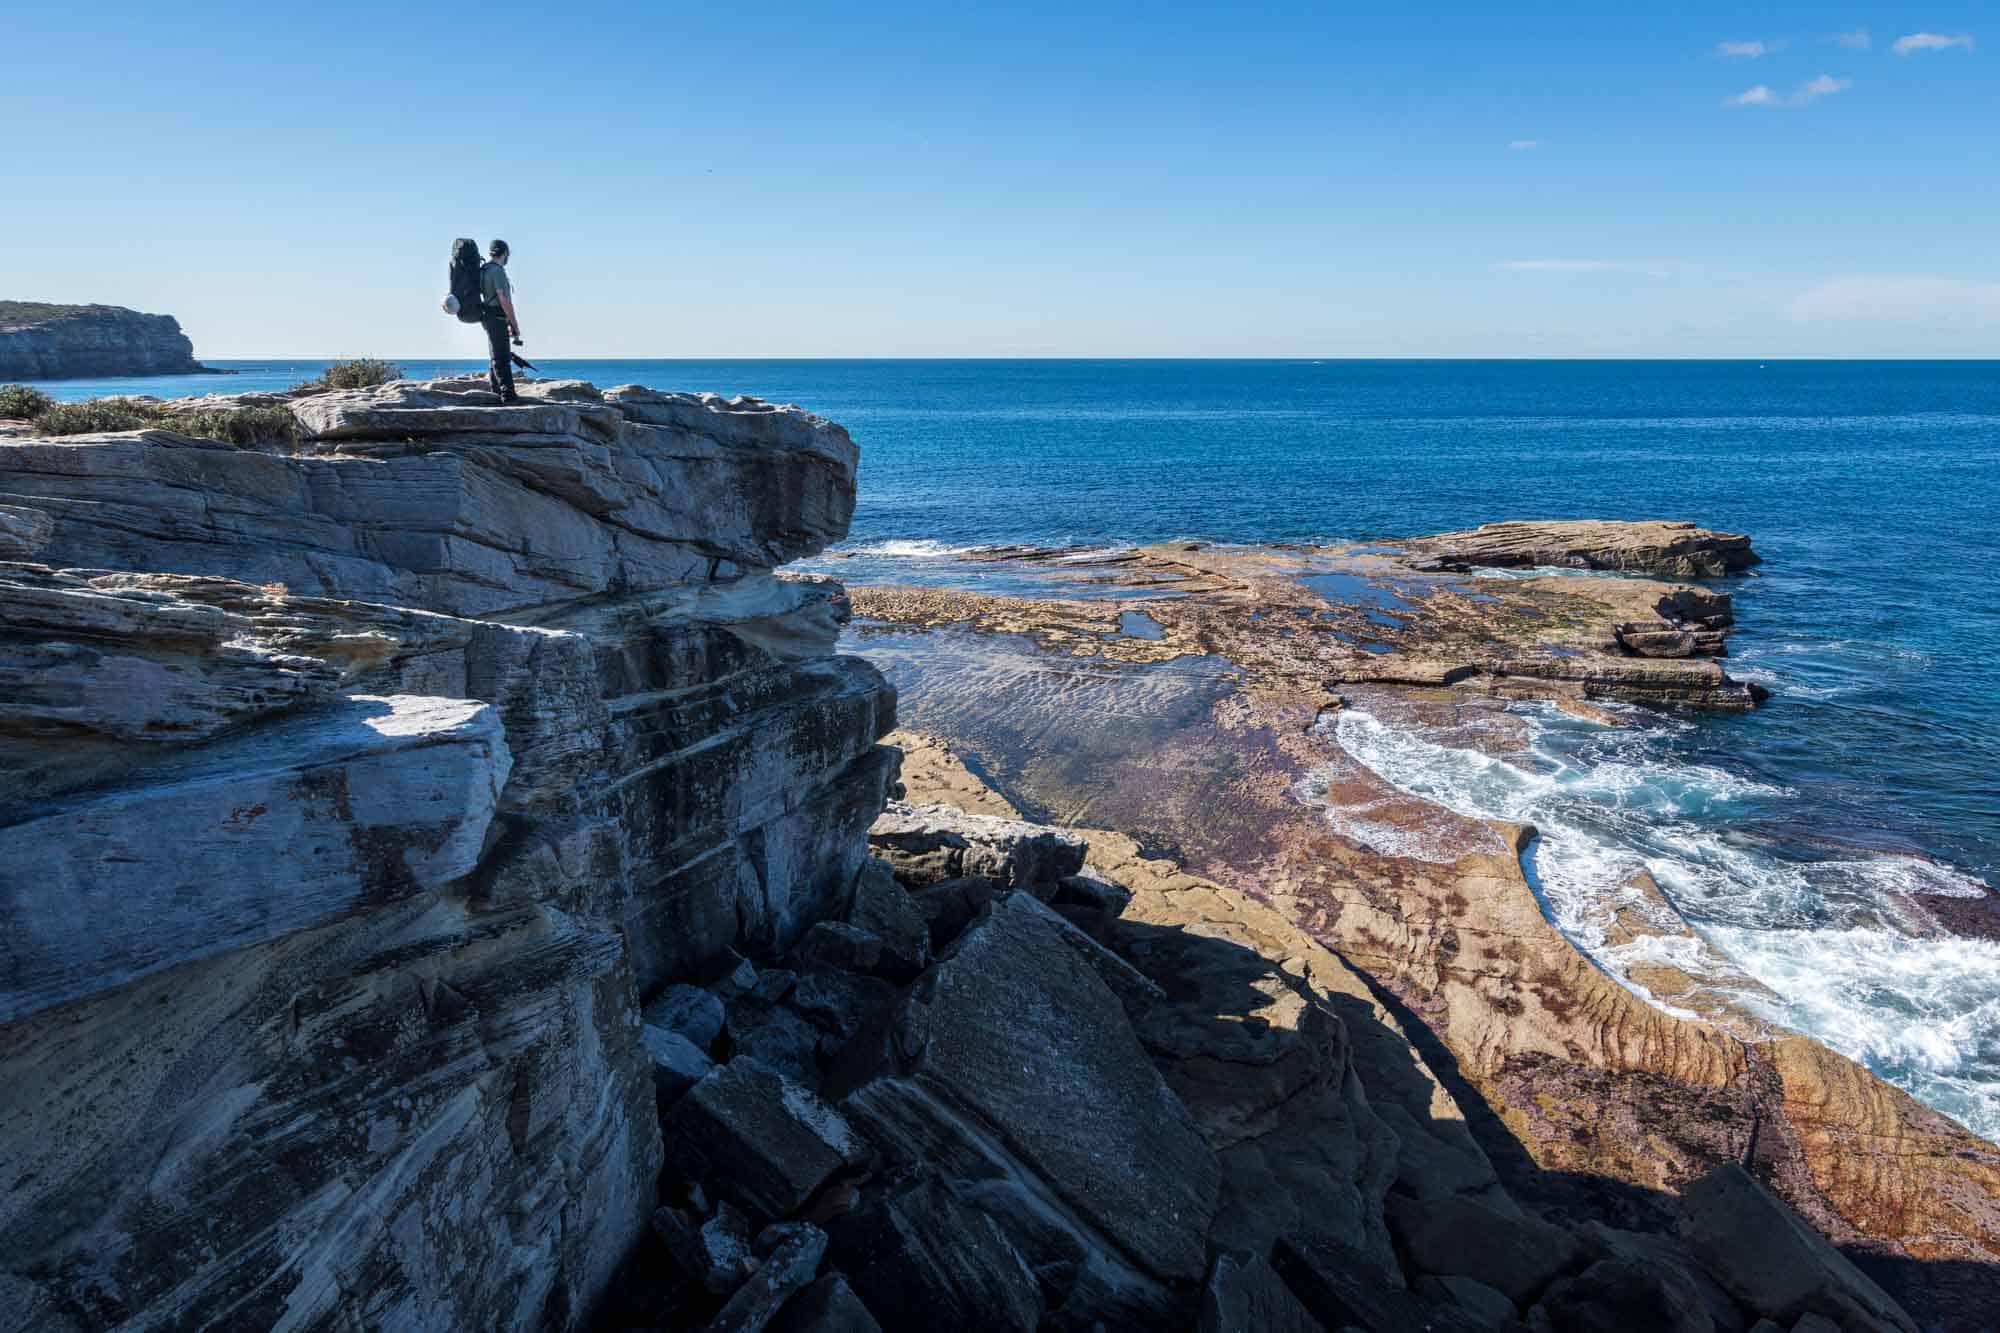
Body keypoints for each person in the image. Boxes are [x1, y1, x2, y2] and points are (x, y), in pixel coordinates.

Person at [480, 239, 522, 402]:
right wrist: (514, 323)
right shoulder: (497, 271)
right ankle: (508, 395)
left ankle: (495, 391)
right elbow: (503, 298)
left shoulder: (484, 269)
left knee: (496, 353)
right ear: (504, 253)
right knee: (502, 356)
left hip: (488, 315)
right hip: (497, 315)